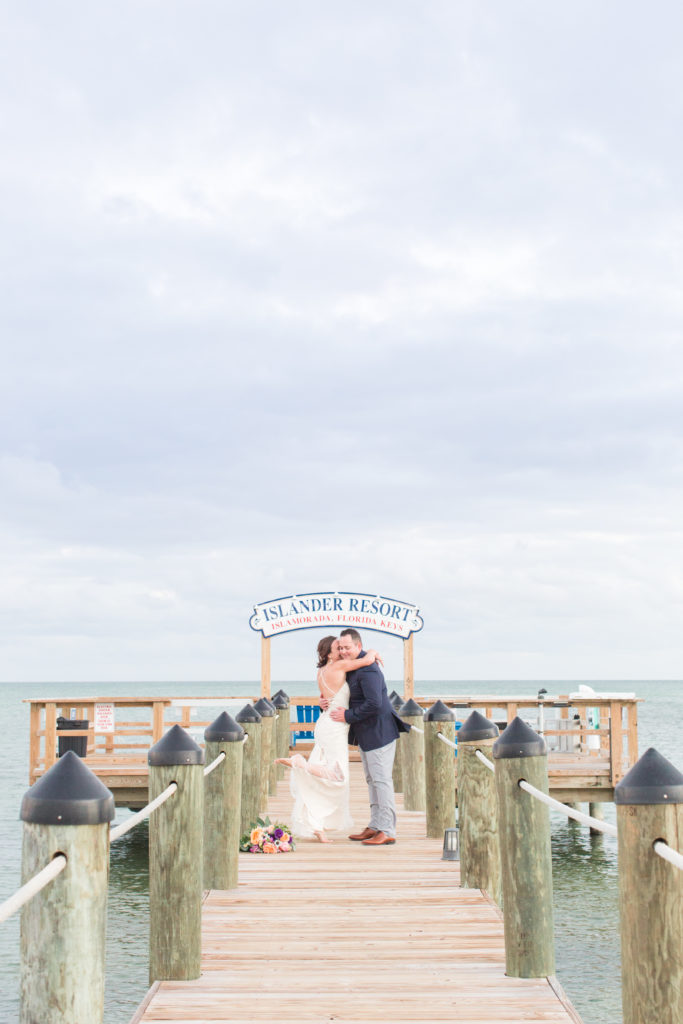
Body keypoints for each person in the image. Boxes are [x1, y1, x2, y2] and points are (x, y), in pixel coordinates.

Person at [276, 635, 383, 843]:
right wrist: (374, 652)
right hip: (333, 726)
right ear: (328, 653)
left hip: (326, 722)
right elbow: (367, 661)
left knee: (323, 774)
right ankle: (300, 763)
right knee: (339, 777)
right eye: (337, 648)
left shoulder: (322, 671)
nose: (342, 651)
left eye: (343, 648)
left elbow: (327, 697)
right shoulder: (339, 666)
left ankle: (317, 826)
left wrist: (323, 701)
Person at [329, 628, 410, 846]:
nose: (344, 651)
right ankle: (375, 825)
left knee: (382, 781)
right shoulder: (357, 665)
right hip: (366, 732)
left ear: (358, 645)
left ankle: (387, 830)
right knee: (371, 780)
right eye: (341, 648)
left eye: (348, 647)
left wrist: (347, 715)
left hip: (379, 731)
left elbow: (375, 703)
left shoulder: (369, 669)